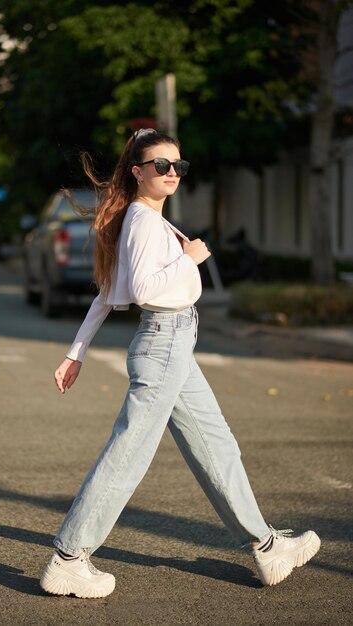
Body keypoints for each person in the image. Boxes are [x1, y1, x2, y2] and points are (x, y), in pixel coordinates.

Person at [40, 128, 320, 598]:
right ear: (138, 172)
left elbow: (107, 295)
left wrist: (76, 352)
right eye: (161, 165)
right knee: (129, 452)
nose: (172, 173)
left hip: (173, 346)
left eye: (178, 166)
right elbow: (147, 291)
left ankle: (267, 545)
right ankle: (70, 557)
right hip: (165, 341)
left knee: (217, 444)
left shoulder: (144, 219)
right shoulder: (145, 222)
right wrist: (189, 260)